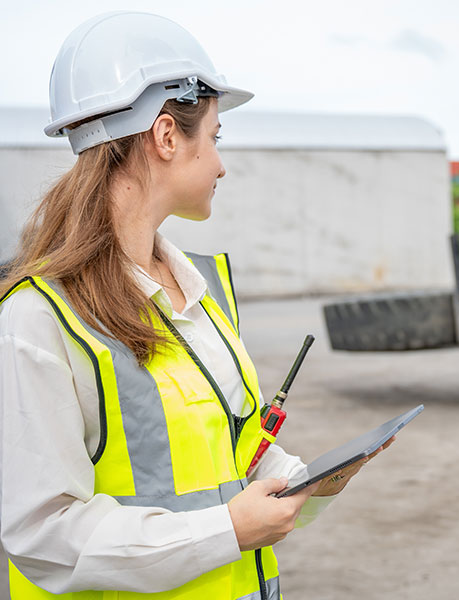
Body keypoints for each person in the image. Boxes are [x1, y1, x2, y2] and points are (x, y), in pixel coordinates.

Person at [0, 11, 391, 599]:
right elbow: (42, 536)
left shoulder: (201, 293)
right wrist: (228, 530)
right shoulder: (39, 318)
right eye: (213, 136)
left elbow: (229, 445)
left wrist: (300, 481)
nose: (220, 163)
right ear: (164, 136)